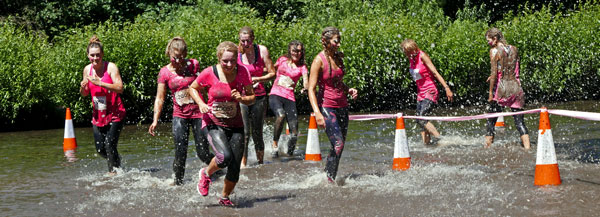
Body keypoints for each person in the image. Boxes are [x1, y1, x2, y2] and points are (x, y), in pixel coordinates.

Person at [189, 41, 255, 207]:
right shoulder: (209, 72)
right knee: (224, 157)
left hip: (236, 124)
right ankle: (205, 174)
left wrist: (242, 98)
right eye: (225, 61)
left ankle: (224, 197)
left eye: (233, 61)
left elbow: (252, 97)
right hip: (213, 122)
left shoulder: (243, 72)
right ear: (219, 59)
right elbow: (192, 88)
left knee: (235, 167)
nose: (229, 64)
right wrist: (201, 104)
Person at [148, 37, 214, 186]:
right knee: (180, 151)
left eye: (181, 57)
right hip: (180, 115)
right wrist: (155, 120)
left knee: (202, 152)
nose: (178, 61)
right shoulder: (164, 72)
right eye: (175, 57)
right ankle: (178, 183)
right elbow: (160, 98)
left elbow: (206, 84)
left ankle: (218, 167)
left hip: (198, 113)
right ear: (169, 53)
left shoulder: (194, 65)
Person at [307, 27, 358, 183]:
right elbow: (311, 88)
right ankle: (329, 180)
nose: (338, 44)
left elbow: (337, 81)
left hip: (342, 105)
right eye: (336, 41)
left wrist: (348, 89)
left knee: (339, 146)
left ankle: (330, 176)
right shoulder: (319, 60)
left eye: (339, 41)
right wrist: (317, 113)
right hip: (327, 107)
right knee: (338, 143)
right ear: (326, 41)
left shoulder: (338, 58)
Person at [79, 35, 126, 175]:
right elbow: (85, 93)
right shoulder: (87, 70)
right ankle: (116, 161)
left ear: (102, 55)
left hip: (116, 113)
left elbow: (120, 87)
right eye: (92, 55)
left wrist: (100, 83)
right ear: (88, 55)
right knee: (100, 149)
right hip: (98, 113)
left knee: (110, 144)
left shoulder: (110, 67)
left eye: (98, 55)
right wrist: (83, 87)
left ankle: (113, 174)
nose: (95, 58)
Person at [400, 39, 454, 145]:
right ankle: (427, 145)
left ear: (413, 49)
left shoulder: (422, 56)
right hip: (421, 93)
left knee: (422, 118)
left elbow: (435, 72)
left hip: (430, 90)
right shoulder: (412, 59)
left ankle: (440, 139)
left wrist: (446, 88)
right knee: (419, 120)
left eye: (408, 52)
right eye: (405, 52)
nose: (406, 54)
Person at [484, 28, 530, 149]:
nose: (488, 43)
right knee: (519, 121)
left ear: (495, 38)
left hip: (502, 89)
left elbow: (494, 74)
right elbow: (513, 67)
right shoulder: (514, 49)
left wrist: (490, 93)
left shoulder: (494, 51)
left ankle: (487, 149)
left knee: (491, 120)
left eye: (488, 40)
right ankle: (528, 148)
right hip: (516, 87)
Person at [237, 26, 276, 165]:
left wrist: (258, 79)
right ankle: (243, 165)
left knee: (257, 134)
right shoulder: (236, 53)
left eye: (248, 41)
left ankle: (260, 164)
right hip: (242, 98)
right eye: (243, 41)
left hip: (259, 97)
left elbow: (273, 73)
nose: (245, 44)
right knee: (245, 133)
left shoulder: (262, 50)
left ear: (253, 39)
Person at [269, 40, 309, 157]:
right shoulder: (282, 60)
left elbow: (306, 80)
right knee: (280, 116)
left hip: (290, 98)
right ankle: (275, 145)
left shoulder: (302, 67)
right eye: (294, 51)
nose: (296, 53)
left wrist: (305, 88)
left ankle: (289, 155)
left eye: (299, 51)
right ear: (290, 51)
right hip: (275, 94)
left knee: (294, 133)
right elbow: (271, 70)